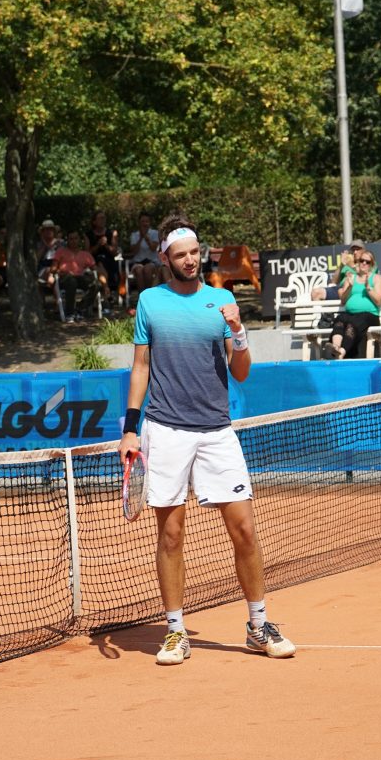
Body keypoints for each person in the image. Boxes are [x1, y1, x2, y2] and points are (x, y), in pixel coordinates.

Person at [117, 212, 295, 665]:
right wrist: (130, 429)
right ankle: (176, 631)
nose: (191, 260)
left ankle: (258, 625)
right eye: (181, 255)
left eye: (195, 252)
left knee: (245, 530)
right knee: (171, 535)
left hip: (217, 431)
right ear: (165, 258)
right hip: (165, 429)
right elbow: (141, 368)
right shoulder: (150, 302)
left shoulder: (221, 300)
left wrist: (238, 331)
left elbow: (241, 372)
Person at [321, 248, 381, 360]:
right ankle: (335, 348)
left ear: (371, 265)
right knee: (339, 320)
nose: (363, 263)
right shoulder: (351, 278)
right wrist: (349, 287)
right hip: (350, 314)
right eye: (361, 260)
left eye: (367, 262)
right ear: (358, 262)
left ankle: (341, 352)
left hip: (369, 315)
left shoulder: (376, 278)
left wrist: (368, 289)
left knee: (353, 323)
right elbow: (343, 300)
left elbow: (378, 301)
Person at [51, 231, 99, 322]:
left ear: (79, 240)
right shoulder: (61, 251)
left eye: (76, 238)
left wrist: (95, 274)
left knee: (96, 285)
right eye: (71, 239)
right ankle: (70, 313)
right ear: (67, 240)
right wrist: (60, 271)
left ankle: (80, 308)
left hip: (80, 277)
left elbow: (95, 269)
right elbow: (52, 269)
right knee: (71, 281)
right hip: (65, 278)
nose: (73, 241)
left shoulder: (85, 254)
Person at [88, 209, 120, 302]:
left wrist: (106, 245)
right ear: (94, 221)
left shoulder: (112, 233)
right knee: (100, 260)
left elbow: (114, 252)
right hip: (93, 262)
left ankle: (106, 290)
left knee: (101, 261)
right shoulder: (88, 234)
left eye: (104, 218)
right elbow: (87, 253)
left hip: (110, 261)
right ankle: (107, 290)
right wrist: (98, 245)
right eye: (100, 218)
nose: (103, 220)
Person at [127, 211, 161, 295]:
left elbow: (153, 248)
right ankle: (142, 296)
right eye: (142, 221)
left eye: (147, 221)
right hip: (138, 262)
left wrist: (146, 237)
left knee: (147, 269)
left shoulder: (154, 233)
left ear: (150, 223)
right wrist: (140, 238)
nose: (145, 224)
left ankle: (149, 295)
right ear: (139, 223)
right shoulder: (134, 235)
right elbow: (134, 251)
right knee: (139, 270)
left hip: (152, 262)